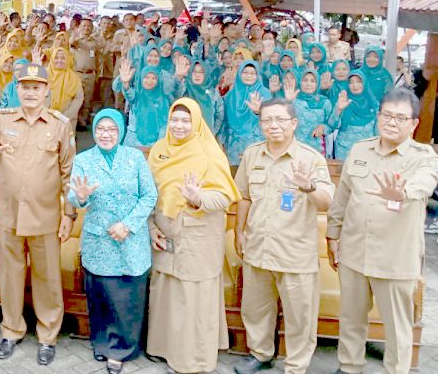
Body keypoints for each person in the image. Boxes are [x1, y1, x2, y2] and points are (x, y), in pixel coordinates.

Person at [327, 88, 438, 374]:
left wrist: (401, 195)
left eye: (401, 118)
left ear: (413, 123)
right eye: (387, 115)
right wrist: (333, 235)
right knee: (351, 317)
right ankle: (349, 366)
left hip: (395, 258)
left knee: (397, 326)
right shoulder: (361, 149)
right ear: (378, 117)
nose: (392, 122)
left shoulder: (423, 156)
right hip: (354, 251)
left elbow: (425, 183)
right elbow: (343, 197)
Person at [0, 62, 76, 366]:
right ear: (16, 89)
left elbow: (68, 173)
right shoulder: (2, 117)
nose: (31, 92)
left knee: (47, 277)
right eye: (25, 86)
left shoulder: (59, 125)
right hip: (8, 212)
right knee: (10, 274)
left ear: (46, 91)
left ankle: (47, 335)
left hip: (45, 215)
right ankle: (11, 330)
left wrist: (68, 214)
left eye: (37, 87)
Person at [233, 97, 335, 374]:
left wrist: (308, 186)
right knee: (255, 309)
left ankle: (296, 365)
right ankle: (260, 353)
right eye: (267, 120)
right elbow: (243, 196)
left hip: (294, 253)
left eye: (280, 120)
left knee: (300, 316)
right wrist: (239, 232)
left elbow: (326, 202)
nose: (273, 125)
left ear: (294, 123)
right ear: (260, 124)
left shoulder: (310, 159)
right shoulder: (252, 154)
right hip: (257, 248)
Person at [146, 98, 240, 374]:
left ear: (197, 122)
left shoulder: (209, 152)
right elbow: (149, 192)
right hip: (165, 230)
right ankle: (161, 348)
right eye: (175, 119)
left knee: (193, 294)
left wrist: (198, 198)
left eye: (186, 120)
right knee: (165, 289)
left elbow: (224, 196)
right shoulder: (159, 150)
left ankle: (193, 359)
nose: (179, 125)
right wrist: (151, 225)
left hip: (198, 232)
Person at [67, 108, 157, 374]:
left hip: (130, 238)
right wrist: (80, 197)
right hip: (100, 239)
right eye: (100, 130)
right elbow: (74, 197)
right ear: (93, 131)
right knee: (102, 294)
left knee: (128, 295)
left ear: (121, 131)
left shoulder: (135, 158)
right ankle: (103, 345)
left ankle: (122, 349)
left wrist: (127, 225)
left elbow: (149, 196)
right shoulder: (83, 159)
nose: (106, 135)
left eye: (112, 130)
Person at [223, 60, 271, 169]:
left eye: (253, 73)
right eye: (245, 72)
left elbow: (270, 119)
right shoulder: (230, 95)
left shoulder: (264, 93)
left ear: (258, 75)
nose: (249, 76)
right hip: (234, 144)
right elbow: (224, 120)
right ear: (239, 74)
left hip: (257, 142)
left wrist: (258, 111)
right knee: (237, 179)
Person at [329, 71, 379, 161]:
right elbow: (333, 125)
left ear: (364, 83)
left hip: (368, 151)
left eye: (359, 81)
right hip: (344, 151)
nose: (355, 85)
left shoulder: (374, 104)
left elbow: (378, 133)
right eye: (351, 82)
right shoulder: (343, 102)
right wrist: (339, 109)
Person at [292, 69, 334, 154]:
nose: (308, 84)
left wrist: (323, 127)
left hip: (318, 148)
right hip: (296, 147)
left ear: (317, 83)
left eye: (312, 81)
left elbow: (333, 125)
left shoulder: (324, 102)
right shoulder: (293, 102)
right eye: (305, 80)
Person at [181, 59, 224, 138]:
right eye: (194, 72)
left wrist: (211, 132)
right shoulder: (184, 90)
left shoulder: (213, 94)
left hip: (206, 139)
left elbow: (219, 116)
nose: (197, 75)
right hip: (185, 137)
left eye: (201, 72)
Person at [45, 46, 84, 129]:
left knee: (65, 141)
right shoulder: (44, 74)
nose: (59, 61)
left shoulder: (74, 77)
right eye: (56, 58)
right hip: (46, 117)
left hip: (66, 118)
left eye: (63, 58)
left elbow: (79, 97)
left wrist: (66, 115)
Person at [69, 19, 99, 127]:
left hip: (90, 74)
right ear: (80, 27)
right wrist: (75, 38)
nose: (86, 28)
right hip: (77, 73)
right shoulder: (76, 39)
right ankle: (74, 121)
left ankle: (83, 121)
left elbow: (98, 57)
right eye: (84, 26)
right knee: (76, 97)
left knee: (87, 99)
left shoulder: (94, 40)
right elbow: (71, 43)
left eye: (88, 26)